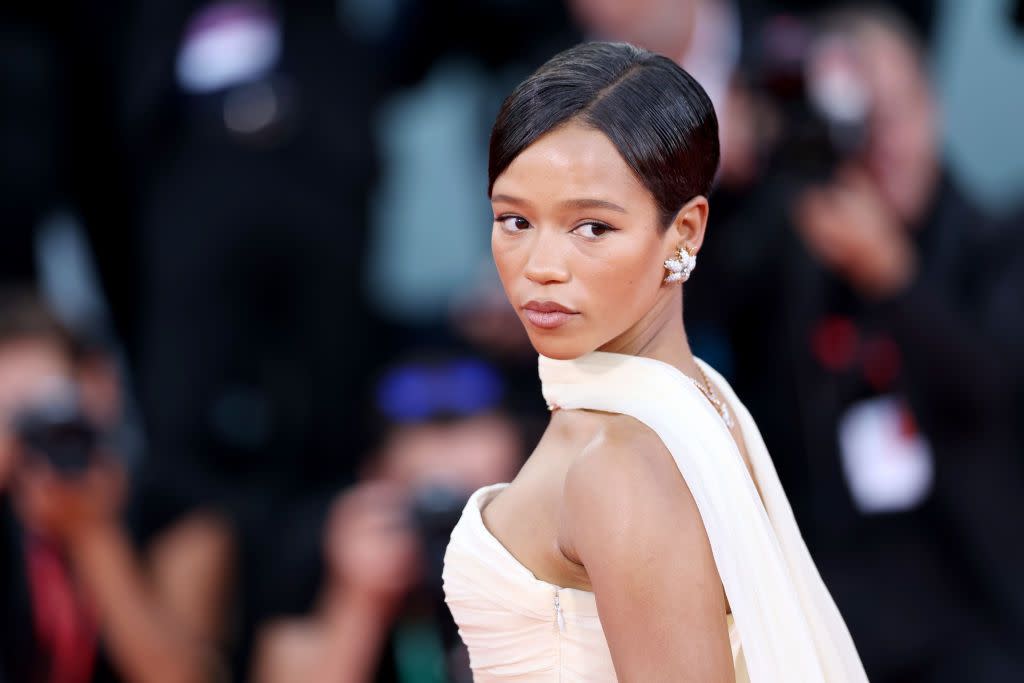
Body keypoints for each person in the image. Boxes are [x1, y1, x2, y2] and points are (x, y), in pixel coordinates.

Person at [440, 42, 868, 681]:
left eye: (592, 228)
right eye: (514, 220)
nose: (541, 268)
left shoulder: (620, 463)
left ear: (686, 232)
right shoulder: (700, 399)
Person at [0, 288, 235, 683]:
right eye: (9, 416)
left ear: (99, 387)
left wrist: (93, 535)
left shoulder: (176, 510)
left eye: (46, 410)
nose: (33, 440)